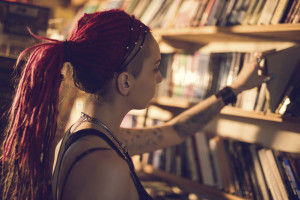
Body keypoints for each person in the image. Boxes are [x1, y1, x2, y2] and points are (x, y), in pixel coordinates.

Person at [1, 9, 273, 200]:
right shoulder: (104, 166)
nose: (160, 77)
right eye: (155, 67)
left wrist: (234, 88)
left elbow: (175, 131)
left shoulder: (90, 136)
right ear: (125, 83)